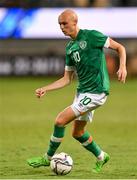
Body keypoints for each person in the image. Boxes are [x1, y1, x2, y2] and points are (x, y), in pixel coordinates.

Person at [27, 9, 127, 173]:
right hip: (82, 92)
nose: (62, 27)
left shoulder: (92, 36)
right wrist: (45, 88)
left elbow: (120, 48)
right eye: (59, 24)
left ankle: (47, 158)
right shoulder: (70, 48)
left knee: (60, 120)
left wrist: (122, 66)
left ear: (75, 22)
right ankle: (102, 156)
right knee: (78, 132)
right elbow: (67, 79)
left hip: (97, 92)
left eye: (64, 23)